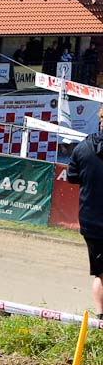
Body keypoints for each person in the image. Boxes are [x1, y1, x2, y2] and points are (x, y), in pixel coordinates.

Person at [67, 107, 103, 324]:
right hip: (93, 222)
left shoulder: (82, 148)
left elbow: (72, 177)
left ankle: (101, 318)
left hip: (91, 222)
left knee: (101, 274)